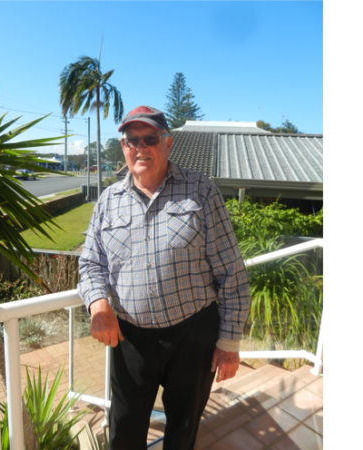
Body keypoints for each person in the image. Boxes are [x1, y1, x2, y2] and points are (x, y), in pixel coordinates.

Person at [77, 106, 250, 450]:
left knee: (183, 429)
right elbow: (90, 262)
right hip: (130, 336)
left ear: (167, 143)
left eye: (150, 139)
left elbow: (231, 271)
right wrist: (98, 304)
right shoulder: (108, 201)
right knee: (124, 431)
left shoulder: (200, 190)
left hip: (192, 335)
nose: (141, 147)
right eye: (132, 140)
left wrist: (229, 344)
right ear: (123, 147)